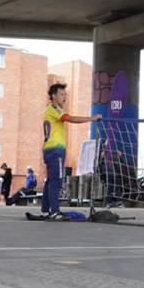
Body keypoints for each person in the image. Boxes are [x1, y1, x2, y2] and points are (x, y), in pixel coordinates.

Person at [41, 83, 101, 220]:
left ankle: (46, 209)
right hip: (55, 150)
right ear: (53, 96)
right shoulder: (54, 109)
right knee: (56, 180)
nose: (64, 97)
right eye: (61, 94)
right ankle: (55, 211)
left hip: (49, 149)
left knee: (50, 180)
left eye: (65, 95)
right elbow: (70, 118)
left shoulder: (52, 110)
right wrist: (92, 118)